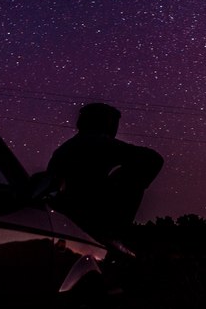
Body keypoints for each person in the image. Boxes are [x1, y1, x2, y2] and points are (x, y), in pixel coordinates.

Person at [47, 103, 163, 244]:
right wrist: (120, 182)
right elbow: (153, 159)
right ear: (105, 123)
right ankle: (114, 230)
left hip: (62, 212)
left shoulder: (66, 147)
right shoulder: (98, 142)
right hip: (88, 212)